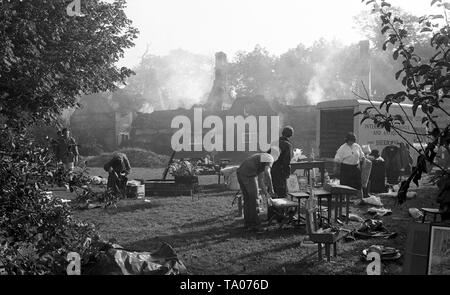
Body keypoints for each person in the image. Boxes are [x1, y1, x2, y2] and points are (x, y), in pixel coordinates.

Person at [237, 151, 278, 229]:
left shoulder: (261, 158)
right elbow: (267, 173)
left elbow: (260, 180)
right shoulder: (270, 158)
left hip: (240, 172)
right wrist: (272, 188)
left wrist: (266, 193)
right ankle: (256, 225)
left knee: (248, 199)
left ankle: (248, 223)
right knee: (255, 199)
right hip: (248, 174)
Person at [334, 132, 365, 201]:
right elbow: (337, 159)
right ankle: (343, 199)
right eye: (350, 141)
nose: (351, 142)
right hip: (346, 168)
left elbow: (362, 156)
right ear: (347, 140)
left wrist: (363, 160)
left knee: (358, 184)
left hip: (355, 167)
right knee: (344, 184)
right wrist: (336, 168)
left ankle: (360, 199)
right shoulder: (342, 148)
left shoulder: (357, 146)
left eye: (352, 141)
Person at [270, 126, 294, 198]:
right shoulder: (287, 145)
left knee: (273, 191)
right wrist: (287, 174)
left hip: (271, 170)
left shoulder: (274, 142)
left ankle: (272, 208)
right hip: (280, 172)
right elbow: (286, 161)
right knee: (281, 193)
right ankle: (281, 208)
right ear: (291, 135)